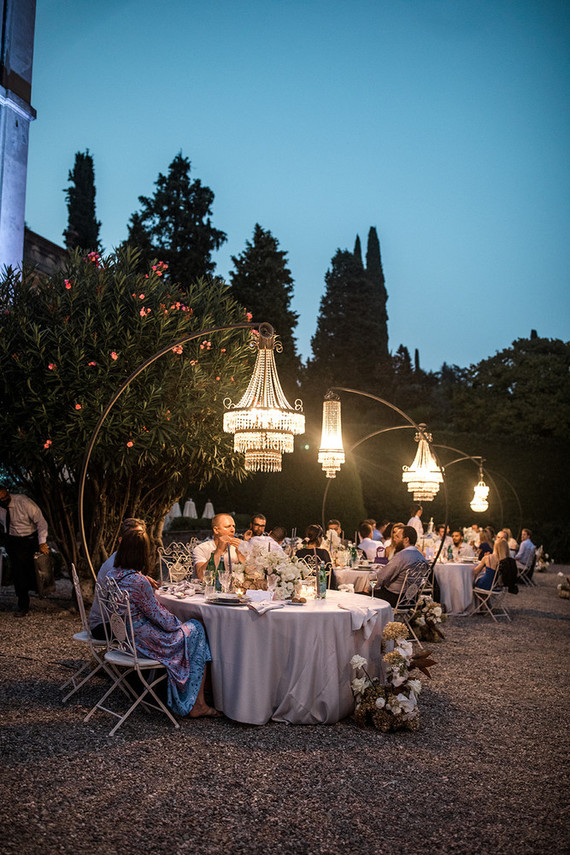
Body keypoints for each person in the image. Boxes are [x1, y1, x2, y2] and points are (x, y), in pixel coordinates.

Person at [106, 528, 218, 718]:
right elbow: (165, 623)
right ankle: (197, 703)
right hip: (143, 644)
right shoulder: (138, 582)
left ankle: (193, 697)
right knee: (197, 628)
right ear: (142, 553)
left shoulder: (113, 575)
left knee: (192, 627)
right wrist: (180, 621)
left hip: (125, 640)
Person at [88, 517, 150, 639]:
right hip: (105, 625)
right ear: (121, 541)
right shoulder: (114, 567)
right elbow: (124, 607)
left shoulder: (124, 561)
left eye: (139, 537)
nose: (137, 541)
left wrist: (144, 578)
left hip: (116, 621)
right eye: (133, 537)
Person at [0, 484, 49, 617]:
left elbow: (41, 523)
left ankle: (41, 592)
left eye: (4, 497)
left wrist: (42, 542)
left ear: (7, 493)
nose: (3, 501)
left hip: (29, 540)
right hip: (13, 540)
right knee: (18, 574)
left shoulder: (23, 502)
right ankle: (23, 605)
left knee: (34, 571)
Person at [372, 525, 428, 607]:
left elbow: (383, 576)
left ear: (406, 539)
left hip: (393, 598)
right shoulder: (422, 558)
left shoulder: (402, 556)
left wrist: (370, 588)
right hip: (412, 599)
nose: (394, 539)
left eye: (397, 537)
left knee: (362, 595)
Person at [193, 513, 246, 580]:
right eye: (228, 526)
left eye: (233, 526)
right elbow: (202, 577)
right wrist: (219, 551)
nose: (233, 530)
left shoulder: (237, 548)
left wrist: (240, 554)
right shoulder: (202, 549)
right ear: (216, 530)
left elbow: (251, 575)